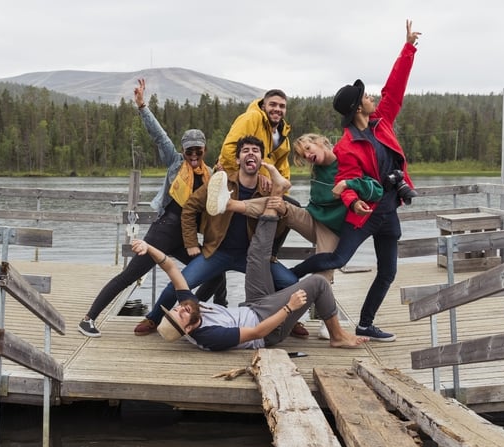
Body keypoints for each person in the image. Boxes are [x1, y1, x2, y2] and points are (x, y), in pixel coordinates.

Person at [286, 20, 422, 342]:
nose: (372, 97)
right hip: (365, 214)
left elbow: (395, 89)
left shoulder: (382, 121)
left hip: (389, 210)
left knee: (388, 271)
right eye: (365, 96)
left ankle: (365, 323)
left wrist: (408, 48)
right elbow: (346, 180)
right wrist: (352, 201)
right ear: (357, 106)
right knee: (337, 259)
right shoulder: (347, 144)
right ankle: (286, 277)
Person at [128, 170, 369, 351]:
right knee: (318, 284)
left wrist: (148, 247)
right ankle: (337, 335)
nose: (181, 307)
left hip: (253, 306)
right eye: (180, 314)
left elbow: (170, 268)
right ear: (189, 329)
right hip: (268, 327)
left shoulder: (190, 308)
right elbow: (257, 332)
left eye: (177, 308)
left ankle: (277, 190)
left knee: (257, 254)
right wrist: (289, 307)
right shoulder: (210, 337)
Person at [78, 78, 224, 338]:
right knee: (130, 275)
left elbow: (219, 202)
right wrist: (142, 105)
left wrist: (225, 178)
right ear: (182, 149)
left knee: (215, 274)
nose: (193, 156)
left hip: (186, 237)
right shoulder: (174, 162)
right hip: (164, 230)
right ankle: (88, 319)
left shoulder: (211, 173)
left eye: (197, 152)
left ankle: (189, 315)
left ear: (204, 150)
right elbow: (159, 135)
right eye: (189, 151)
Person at [132, 136, 299, 336]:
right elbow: (190, 208)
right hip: (216, 252)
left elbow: (291, 212)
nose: (251, 153)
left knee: (289, 282)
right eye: (245, 150)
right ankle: (154, 318)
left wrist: (271, 252)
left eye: (255, 150)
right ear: (238, 160)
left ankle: (292, 320)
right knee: (178, 284)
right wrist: (191, 242)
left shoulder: (268, 188)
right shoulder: (220, 183)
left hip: (251, 257)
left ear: (261, 159)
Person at [216, 89, 299, 259]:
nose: (277, 109)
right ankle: (257, 254)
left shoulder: (283, 134)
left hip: (263, 187)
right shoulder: (251, 118)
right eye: (273, 104)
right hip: (237, 181)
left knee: (290, 207)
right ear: (264, 105)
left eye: (282, 106)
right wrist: (254, 174)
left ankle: (268, 254)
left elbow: (283, 169)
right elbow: (229, 149)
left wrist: (281, 195)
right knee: (226, 233)